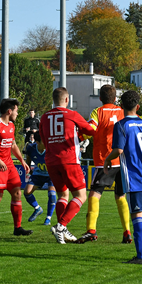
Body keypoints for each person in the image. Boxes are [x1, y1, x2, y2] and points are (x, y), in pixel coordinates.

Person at [104, 90, 142, 265]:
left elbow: (119, 150)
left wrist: (108, 159)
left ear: (121, 107)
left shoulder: (121, 125)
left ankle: (141, 257)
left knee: (137, 215)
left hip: (135, 176)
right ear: (138, 107)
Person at [40, 87, 96, 244]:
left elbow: (44, 141)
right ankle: (61, 226)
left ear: (53, 100)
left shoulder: (44, 117)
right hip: (69, 160)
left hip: (51, 161)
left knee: (63, 195)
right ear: (67, 100)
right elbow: (90, 131)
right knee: (80, 196)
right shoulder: (72, 114)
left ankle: (62, 231)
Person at [78, 85, 133, 244]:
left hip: (104, 161)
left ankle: (91, 230)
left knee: (94, 194)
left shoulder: (98, 112)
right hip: (122, 161)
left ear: (100, 98)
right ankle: (127, 232)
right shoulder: (122, 112)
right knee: (121, 196)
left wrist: (78, 136)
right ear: (115, 99)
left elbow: (91, 128)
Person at [0, 98, 33, 236]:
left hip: (9, 165)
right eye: (16, 110)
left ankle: (17, 228)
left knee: (17, 193)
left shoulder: (11, 125)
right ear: (9, 111)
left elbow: (13, 145)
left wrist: (22, 161)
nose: (17, 113)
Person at [24, 131, 56, 226]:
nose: (46, 143)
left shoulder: (51, 148)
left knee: (52, 195)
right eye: (43, 141)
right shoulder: (31, 148)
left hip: (51, 175)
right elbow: (28, 158)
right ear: (37, 142)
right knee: (27, 192)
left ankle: (48, 218)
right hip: (38, 174)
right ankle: (38, 208)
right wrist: (29, 168)